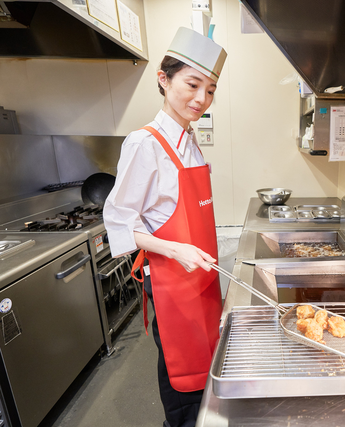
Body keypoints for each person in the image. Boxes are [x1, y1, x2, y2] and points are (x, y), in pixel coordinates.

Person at [103, 27, 227, 427]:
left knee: (206, 372)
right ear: (164, 79)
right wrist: (177, 249)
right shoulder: (145, 143)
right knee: (183, 380)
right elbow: (119, 223)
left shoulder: (189, 140)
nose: (201, 99)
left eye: (210, 90)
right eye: (192, 84)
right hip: (174, 283)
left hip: (202, 278)